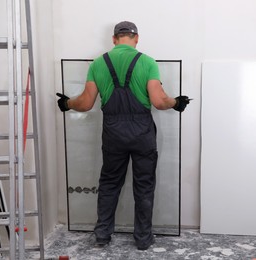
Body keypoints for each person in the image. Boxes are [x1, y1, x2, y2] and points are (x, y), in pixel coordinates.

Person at [56, 21, 190, 250]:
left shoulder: (99, 63)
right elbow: (159, 101)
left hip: (113, 132)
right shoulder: (147, 62)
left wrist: (67, 103)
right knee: (144, 185)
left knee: (109, 183)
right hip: (142, 132)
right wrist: (176, 102)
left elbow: (86, 103)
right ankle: (143, 239)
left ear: (114, 39)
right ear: (136, 38)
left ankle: (102, 236)